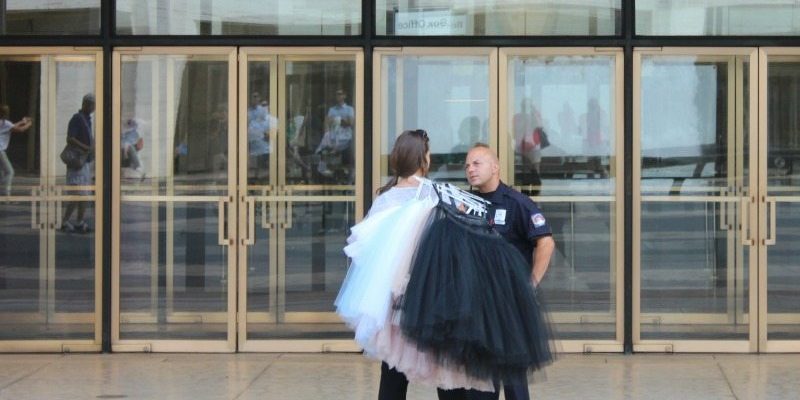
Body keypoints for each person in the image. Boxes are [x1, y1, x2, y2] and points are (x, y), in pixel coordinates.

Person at [451, 143, 556, 400]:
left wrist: (530, 283)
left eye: (477, 163)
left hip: (509, 303)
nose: (470, 170)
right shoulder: (467, 203)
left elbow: (546, 242)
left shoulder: (517, 203)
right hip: (476, 304)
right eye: (467, 165)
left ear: (495, 167)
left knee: (513, 381)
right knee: (479, 381)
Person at [61, 93, 95, 233]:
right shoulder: (77, 119)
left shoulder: (87, 120)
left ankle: (80, 222)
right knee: (77, 194)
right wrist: (86, 147)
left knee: (85, 195)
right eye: (92, 105)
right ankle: (65, 221)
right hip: (77, 162)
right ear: (86, 104)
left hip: (84, 162)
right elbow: (70, 138)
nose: (94, 108)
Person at [0, 104, 33, 196]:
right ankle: (6, 195)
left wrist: (22, 121)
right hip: (0, 151)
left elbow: (12, 126)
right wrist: (29, 124)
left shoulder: (3, 123)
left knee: (2, 173)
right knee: (10, 172)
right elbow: (20, 130)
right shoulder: (5, 123)